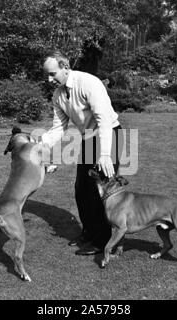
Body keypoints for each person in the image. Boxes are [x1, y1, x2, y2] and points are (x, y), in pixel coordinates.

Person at [40, 51, 124, 255]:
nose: (50, 80)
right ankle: (89, 232)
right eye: (47, 75)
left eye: (52, 74)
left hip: (108, 135)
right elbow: (58, 127)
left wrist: (105, 154)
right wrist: (40, 145)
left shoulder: (89, 83)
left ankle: (104, 242)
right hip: (88, 138)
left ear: (65, 67)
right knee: (82, 189)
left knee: (101, 191)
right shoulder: (58, 95)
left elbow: (104, 120)